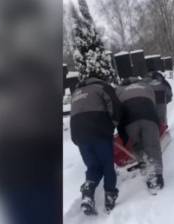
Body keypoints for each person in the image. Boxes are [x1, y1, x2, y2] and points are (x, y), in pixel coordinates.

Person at [70, 74, 121, 214]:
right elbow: (115, 106)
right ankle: (110, 195)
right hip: (99, 131)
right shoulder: (102, 86)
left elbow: (73, 115)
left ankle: (88, 193)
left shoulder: (76, 92)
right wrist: (113, 124)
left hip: (79, 135)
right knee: (107, 164)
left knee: (93, 166)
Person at [116, 78, 164, 193]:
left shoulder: (118, 90)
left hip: (129, 121)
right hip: (149, 116)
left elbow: (116, 110)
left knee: (137, 147)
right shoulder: (145, 86)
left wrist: (124, 136)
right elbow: (153, 102)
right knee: (153, 146)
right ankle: (156, 177)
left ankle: (147, 171)